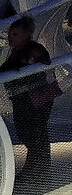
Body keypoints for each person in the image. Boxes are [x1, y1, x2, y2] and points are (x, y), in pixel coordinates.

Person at [4, 17, 59, 169]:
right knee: (28, 132)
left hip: (35, 99)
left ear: (27, 34)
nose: (10, 38)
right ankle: (37, 167)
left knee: (34, 132)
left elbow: (44, 60)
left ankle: (38, 168)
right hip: (24, 98)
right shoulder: (16, 51)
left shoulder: (33, 49)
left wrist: (42, 61)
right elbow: (8, 67)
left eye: (15, 34)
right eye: (10, 34)